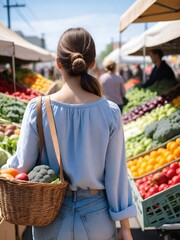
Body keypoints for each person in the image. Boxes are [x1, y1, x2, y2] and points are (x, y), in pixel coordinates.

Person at [2, 28, 136, 240]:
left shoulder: (37, 108)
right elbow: (116, 174)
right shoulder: (110, 111)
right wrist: (125, 227)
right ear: (92, 64)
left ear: (58, 63)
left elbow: (21, 167)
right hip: (97, 217)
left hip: (50, 214)